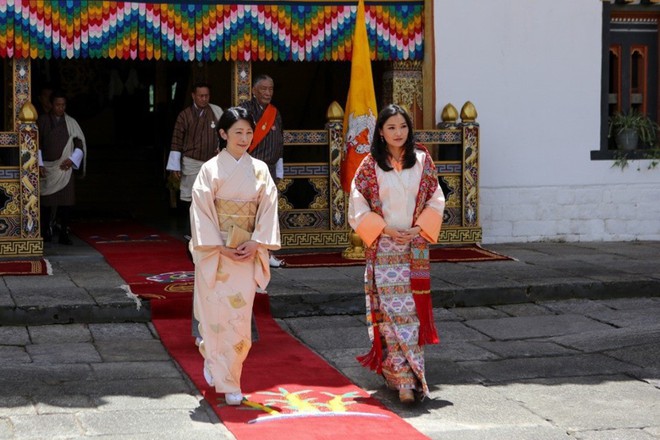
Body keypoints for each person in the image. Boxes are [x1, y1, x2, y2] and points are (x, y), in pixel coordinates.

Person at [347, 104, 445, 404]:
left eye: (402, 126)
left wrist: (418, 229)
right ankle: (403, 380)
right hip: (385, 248)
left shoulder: (423, 161)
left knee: (411, 314)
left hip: (413, 247)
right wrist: (385, 230)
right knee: (393, 315)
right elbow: (357, 204)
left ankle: (412, 375)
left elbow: (436, 197)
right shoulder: (370, 165)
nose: (398, 133)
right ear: (380, 132)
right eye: (391, 127)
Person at [189, 107, 281, 405]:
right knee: (214, 315)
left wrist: (256, 242)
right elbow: (201, 212)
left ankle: (230, 377)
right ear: (223, 134)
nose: (244, 138)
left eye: (249, 133)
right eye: (238, 132)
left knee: (239, 319)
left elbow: (268, 208)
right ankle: (219, 368)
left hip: (246, 253)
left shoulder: (260, 170)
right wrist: (218, 245)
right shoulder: (210, 170)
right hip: (217, 253)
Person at [239, 74, 285, 268]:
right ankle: (245, 250)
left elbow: (279, 141)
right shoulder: (245, 111)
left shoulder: (275, 112)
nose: (268, 93)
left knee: (268, 212)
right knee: (249, 212)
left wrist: (280, 168)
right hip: (249, 168)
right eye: (264, 89)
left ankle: (268, 253)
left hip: (271, 170)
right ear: (254, 91)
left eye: (270, 89)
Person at [166, 82, 223, 217]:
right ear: (193, 96)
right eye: (201, 96)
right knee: (192, 197)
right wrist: (175, 167)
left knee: (212, 198)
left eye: (207, 96)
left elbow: (225, 133)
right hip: (191, 162)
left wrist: (222, 148)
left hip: (212, 163)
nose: (204, 99)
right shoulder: (184, 116)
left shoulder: (216, 111)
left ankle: (209, 231)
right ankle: (192, 230)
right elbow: (177, 140)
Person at [37, 91, 87, 245]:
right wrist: (38, 164)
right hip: (48, 168)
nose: (61, 108)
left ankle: (64, 233)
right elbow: (35, 143)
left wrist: (72, 160)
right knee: (46, 203)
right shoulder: (43, 121)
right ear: (51, 105)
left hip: (65, 169)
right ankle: (45, 231)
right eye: (58, 105)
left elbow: (79, 143)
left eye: (63, 105)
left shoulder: (71, 122)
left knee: (66, 203)